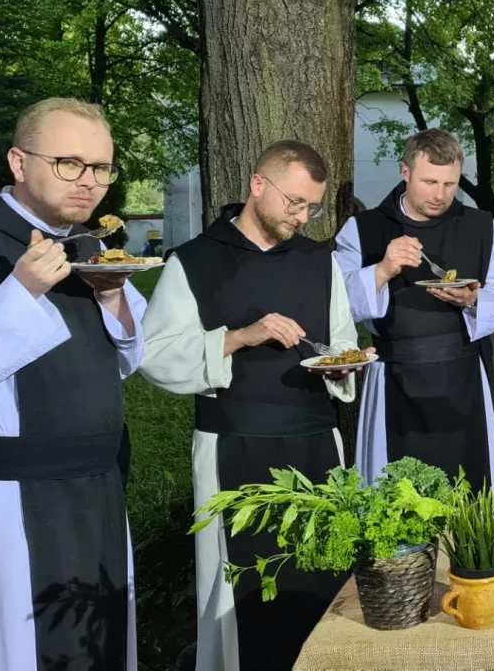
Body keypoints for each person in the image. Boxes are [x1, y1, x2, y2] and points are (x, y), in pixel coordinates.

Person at [140, 141, 364, 671]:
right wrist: (238, 336)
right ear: (257, 184)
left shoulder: (319, 262)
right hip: (233, 445)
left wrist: (345, 365)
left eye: (311, 207)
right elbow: (153, 355)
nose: (302, 216)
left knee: (321, 580)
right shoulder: (194, 261)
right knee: (240, 591)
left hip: (316, 444)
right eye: (294, 202)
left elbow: (339, 340)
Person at [0, 98, 146, 671]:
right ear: (18, 162)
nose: (89, 182)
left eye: (101, 168)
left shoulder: (96, 247)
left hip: (100, 484)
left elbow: (130, 359)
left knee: (102, 644)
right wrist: (21, 291)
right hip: (16, 494)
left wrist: (112, 296)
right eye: (69, 163)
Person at [334, 129, 494, 493]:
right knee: (396, 493)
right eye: (430, 181)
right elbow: (338, 306)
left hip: (464, 376)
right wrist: (382, 270)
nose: (440, 195)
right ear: (405, 172)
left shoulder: (480, 226)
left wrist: (473, 300)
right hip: (395, 378)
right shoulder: (363, 229)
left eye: (450, 183)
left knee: (469, 490)